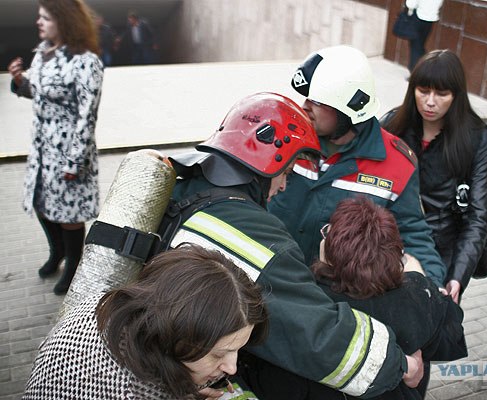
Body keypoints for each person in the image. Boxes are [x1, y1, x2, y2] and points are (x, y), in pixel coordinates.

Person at [160, 92, 424, 398]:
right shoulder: (255, 233)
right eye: (286, 172)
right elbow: (315, 332)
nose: (284, 185)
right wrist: (398, 364)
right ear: (265, 161)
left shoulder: (183, 186)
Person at [240, 197, 467, 400]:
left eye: (327, 231)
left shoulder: (306, 303)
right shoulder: (417, 294)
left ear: (331, 251)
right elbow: (451, 339)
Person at [268, 44, 447, 288]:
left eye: (318, 101)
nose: (305, 106)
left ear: (349, 110)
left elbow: (413, 235)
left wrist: (431, 288)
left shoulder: (397, 164)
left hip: (335, 299)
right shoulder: (285, 139)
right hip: (272, 282)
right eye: (307, 96)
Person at [22, 244, 269, 399]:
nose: (232, 368)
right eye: (218, 355)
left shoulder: (106, 306)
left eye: (236, 350)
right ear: (175, 333)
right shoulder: (128, 392)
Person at [380, 49, 487, 303]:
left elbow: (478, 215)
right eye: (423, 91)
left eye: (441, 94)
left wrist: (458, 276)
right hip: (389, 244)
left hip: (441, 251)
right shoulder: (392, 125)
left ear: (456, 95)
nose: (430, 102)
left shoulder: (475, 137)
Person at [7, 0, 104, 296]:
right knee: (43, 204)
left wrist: (75, 163)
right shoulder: (43, 54)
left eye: (46, 18)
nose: (39, 22)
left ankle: (74, 264)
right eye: (39, 17)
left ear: (65, 21)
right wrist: (19, 82)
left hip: (69, 150)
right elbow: (41, 94)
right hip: (42, 149)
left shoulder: (86, 62)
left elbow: (87, 115)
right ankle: (57, 252)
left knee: (69, 214)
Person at [404, 0, 444, 71]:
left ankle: (416, 70)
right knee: (421, 44)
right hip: (431, 18)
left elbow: (411, 4)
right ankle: (424, 67)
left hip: (418, 16)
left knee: (415, 46)